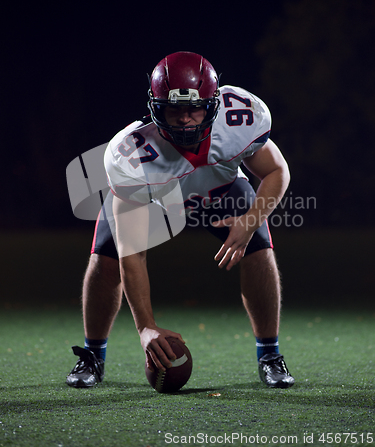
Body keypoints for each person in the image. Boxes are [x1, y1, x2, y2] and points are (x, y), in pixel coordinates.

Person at [66, 51, 294, 389]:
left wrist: (249, 221)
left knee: (260, 249)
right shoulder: (131, 158)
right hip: (155, 201)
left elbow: (277, 170)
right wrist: (145, 326)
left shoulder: (237, 119)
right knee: (106, 260)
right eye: (175, 110)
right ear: (156, 108)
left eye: (194, 108)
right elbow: (134, 253)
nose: (186, 120)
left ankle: (270, 355)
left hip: (221, 190)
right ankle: (93, 356)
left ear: (214, 105)